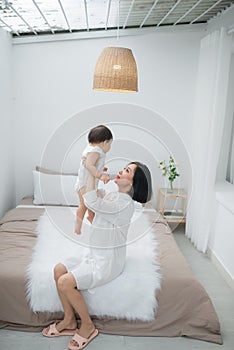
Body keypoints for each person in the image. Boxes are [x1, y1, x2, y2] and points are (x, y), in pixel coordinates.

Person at [42, 161, 152, 350]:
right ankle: (69, 320)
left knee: (64, 282)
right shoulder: (113, 196)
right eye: (123, 168)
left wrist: (92, 173)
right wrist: (94, 176)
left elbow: (91, 200)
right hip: (94, 254)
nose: (121, 171)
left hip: (106, 262)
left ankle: (88, 325)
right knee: (58, 270)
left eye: (126, 171)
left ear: (134, 183)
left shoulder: (124, 204)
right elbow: (92, 203)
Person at [74, 125, 113, 234]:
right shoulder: (96, 151)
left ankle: (92, 220)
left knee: (92, 205)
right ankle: (77, 228)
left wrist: (99, 169)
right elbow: (88, 165)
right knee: (84, 206)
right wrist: (100, 175)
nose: (110, 147)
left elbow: (92, 165)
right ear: (105, 142)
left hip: (87, 184)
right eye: (110, 144)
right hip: (84, 185)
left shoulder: (91, 148)